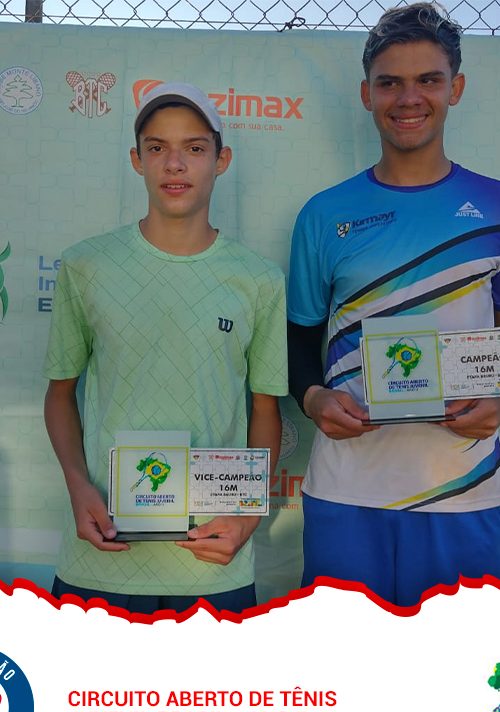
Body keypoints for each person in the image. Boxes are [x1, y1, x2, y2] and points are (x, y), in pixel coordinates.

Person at [44, 82, 288, 614]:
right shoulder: (86, 265)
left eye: (194, 148)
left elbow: (266, 409)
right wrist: (77, 486)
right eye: (157, 147)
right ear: (137, 160)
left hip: (212, 558)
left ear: (221, 160)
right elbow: (60, 394)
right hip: (101, 556)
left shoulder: (259, 279)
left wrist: (248, 515)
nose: (174, 164)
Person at [287, 3, 500, 607]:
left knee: (460, 664)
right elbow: (297, 339)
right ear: (366, 94)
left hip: (468, 490)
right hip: (347, 489)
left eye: (428, 80)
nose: (409, 98)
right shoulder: (324, 214)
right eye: (390, 83)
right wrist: (312, 397)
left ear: (456, 88)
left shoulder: (494, 208)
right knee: (345, 659)